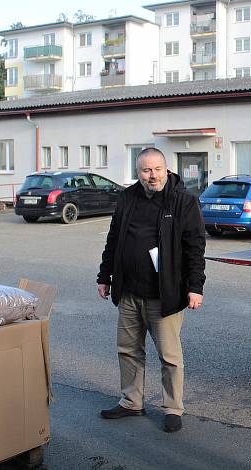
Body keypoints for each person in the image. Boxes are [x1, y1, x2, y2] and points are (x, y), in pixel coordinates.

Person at [96, 147, 206, 433]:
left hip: (164, 295)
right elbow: (113, 240)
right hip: (130, 292)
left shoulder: (183, 201)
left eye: (157, 169)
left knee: (169, 356)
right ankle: (131, 401)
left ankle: (172, 407)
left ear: (166, 169)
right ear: (138, 173)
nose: (152, 175)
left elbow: (195, 248)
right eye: (146, 170)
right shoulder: (127, 198)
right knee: (128, 350)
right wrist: (104, 276)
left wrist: (196, 287)